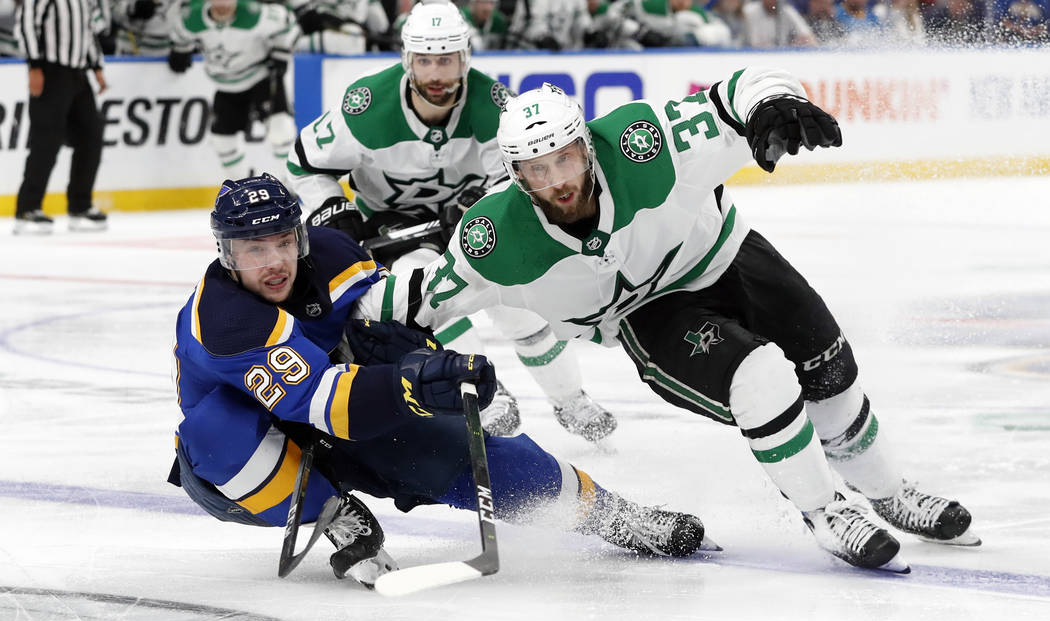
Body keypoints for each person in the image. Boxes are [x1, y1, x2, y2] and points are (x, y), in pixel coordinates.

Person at [353, 74, 982, 573]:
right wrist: (334, 296)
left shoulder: (641, 140)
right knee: (761, 379)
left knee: (834, 378)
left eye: (567, 159)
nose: (558, 181)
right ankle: (824, 511)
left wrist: (774, 102)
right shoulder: (493, 240)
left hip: (732, 255)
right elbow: (400, 305)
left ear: (586, 143)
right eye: (537, 170)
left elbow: (739, 92)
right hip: (651, 316)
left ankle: (888, 491)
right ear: (515, 175)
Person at [169, 173, 710, 586]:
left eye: (283, 242)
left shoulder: (333, 255)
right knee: (213, 431)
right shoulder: (223, 321)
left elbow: (394, 323)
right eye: (253, 250)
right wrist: (412, 384)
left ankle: (612, 516)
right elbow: (318, 401)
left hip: (345, 421)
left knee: (474, 453)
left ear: (301, 238)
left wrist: (430, 362)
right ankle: (332, 513)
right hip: (259, 455)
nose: (274, 261)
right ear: (227, 255)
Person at [285, 0, 617, 442]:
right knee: (430, 299)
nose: (436, 74)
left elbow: (520, 176)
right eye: (425, 61)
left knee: (519, 310)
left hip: (476, 224)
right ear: (408, 60)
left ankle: (571, 399)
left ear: (465, 57)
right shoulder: (364, 109)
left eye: (446, 59)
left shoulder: (496, 106)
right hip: (393, 230)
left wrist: (484, 201)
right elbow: (304, 163)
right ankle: (487, 392)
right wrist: (333, 209)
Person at [168, 0, 298, 183]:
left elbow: (288, 22)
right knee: (222, 142)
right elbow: (179, 33)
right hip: (226, 86)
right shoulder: (192, 18)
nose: (223, 5)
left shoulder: (255, 13)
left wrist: (281, 51)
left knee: (281, 129)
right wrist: (181, 49)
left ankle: (292, 183)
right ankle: (245, 189)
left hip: (260, 77)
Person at [13, 0, 110, 234]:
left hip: (78, 74)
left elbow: (87, 32)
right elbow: (26, 25)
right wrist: (34, 66)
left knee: (91, 137)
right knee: (46, 142)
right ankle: (28, 209)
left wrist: (96, 67)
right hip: (49, 71)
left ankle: (80, 206)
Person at [740, 0, 817, 47]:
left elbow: (808, 36)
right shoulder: (749, 12)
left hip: (780, 55)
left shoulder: (787, 11)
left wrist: (801, 41)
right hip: (753, 55)